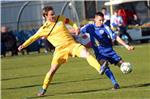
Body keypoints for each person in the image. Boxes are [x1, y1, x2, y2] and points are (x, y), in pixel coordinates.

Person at [18, 6, 106, 97]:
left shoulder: (60, 18)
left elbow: (70, 21)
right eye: (51, 14)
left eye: (54, 13)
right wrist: (23, 45)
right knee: (52, 71)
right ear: (45, 16)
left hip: (72, 45)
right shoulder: (43, 29)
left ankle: (100, 68)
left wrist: (76, 27)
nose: (53, 15)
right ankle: (43, 88)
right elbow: (33, 38)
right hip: (60, 50)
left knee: (86, 53)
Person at [80, 12, 134, 90]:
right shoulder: (89, 27)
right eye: (100, 20)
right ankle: (115, 84)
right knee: (104, 66)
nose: (102, 22)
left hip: (110, 52)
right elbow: (79, 31)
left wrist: (126, 46)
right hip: (100, 54)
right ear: (95, 19)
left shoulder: (105, 27)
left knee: (122, 65)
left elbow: (115, 37)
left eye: (103, 20)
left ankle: (124, 68)